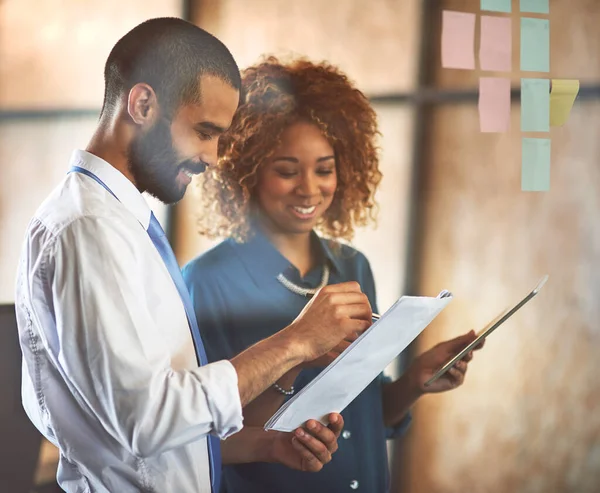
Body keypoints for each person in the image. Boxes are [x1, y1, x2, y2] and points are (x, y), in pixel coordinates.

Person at [15, 20, 374, 493]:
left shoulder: (120, 222)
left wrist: (267, 445)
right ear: (142, 104)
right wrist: (296, 342)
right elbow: (148, 421)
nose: (212, 157)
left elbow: (166, 422)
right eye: (204, 132)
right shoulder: (90, 228)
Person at [183, 57, 484, 493]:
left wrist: (414, 381)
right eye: (287, 171)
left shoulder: (352, 267)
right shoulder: (206, 283)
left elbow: (363, 416)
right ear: (245, 172)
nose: (310, 188)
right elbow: (204, 434)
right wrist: (294, 356)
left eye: (324, 169)